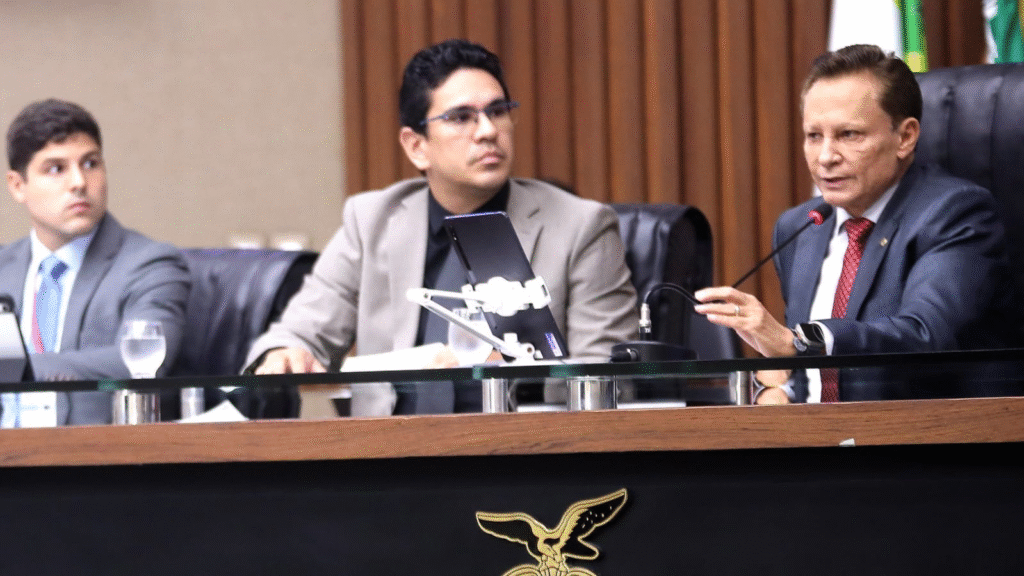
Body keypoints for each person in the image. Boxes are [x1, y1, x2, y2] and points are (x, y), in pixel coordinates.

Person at [246, 39, 637, 414]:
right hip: (388, 450)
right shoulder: (372, 221)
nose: (487, 131)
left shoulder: (580, 228)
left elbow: (609, 384)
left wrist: (518, 369)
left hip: (523, 451)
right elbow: (298, 331)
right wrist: (285, 353)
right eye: (461, 117)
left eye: (498, 111)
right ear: (417, 146)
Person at [694, 44, 1022, 403]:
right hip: (817, 433)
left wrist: (801, 341)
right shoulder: (800, 227)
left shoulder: (956, 214)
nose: (825, 157)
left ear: (905, 137)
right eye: (814, 136)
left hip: (934, 434)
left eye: (849, 135)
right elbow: (805, 373)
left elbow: (924, 336)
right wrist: (779, 377)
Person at [1, 99, 190, 426]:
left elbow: (143, 363)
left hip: (94, 453)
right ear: (18, 186)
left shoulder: (150, 264)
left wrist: (18, 367)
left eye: (90, 164)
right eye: (56, 169)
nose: (79, 182)